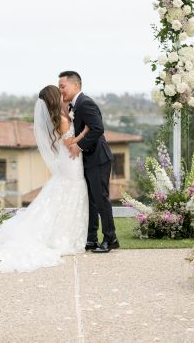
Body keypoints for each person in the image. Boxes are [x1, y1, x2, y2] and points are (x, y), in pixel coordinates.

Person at [0, 85, 88, 272]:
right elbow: (69, 143)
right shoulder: (61, 119)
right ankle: (64, 234)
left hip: (67, 162)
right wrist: (85, 132)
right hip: (70, 161)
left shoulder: (59, 116)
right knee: (72, 191)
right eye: (59, 94)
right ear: (54, 97)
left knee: (67, 192)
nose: (62, 95)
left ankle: (64, 231)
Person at [59, 71, 119, 253]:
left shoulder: (85, 103)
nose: (61, 90)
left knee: (100, 199)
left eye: (63, 86)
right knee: (92, 200)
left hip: (98, 159)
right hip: (89, 160)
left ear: (75, 85)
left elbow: (98, 128)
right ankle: (91, 238)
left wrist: (80, 146)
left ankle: (111, 238)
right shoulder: (74, 105)